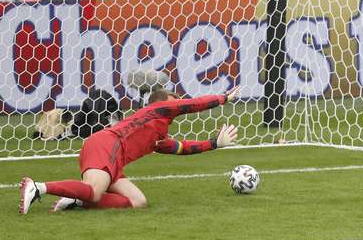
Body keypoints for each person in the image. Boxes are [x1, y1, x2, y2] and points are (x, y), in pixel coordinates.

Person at [19, 87, 241, 213]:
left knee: (138, 202)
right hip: (108, 144)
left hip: (112, 156)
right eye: (174, 100)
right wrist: (221, 99)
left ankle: (77, 200)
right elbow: (192, 104)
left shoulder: (158, 136)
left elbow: (183, 148)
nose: (178, 103)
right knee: (95, 191)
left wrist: (215, 143)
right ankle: (38, 187)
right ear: (162, 102)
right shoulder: (157, 109)